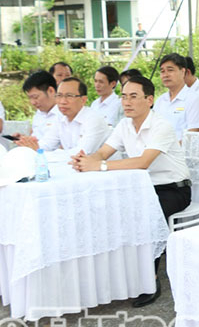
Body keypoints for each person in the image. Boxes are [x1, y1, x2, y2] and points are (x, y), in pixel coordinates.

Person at [71, 75, 191, 307]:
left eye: (134, 97)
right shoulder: (124, 124)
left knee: (146, 217)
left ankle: (150, 280)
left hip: (173, 189)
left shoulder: (161, 126)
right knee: (108, 212)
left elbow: (142, 162)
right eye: (124, 96)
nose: (127, 102)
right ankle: (120, 277)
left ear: (149, 100)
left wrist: (99, 166)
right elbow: (103, 152)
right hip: (141, 188)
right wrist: (86, 160)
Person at [19, 77, 110, 154]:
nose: (62, 101)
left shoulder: (93, 119)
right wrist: (30, 145)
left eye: (69, 96)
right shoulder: (61, 119)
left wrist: (40, 151)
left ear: (83, 100)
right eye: (59, 96)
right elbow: (46, 144)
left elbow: (82, 153)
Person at [153, 53, 199, 140]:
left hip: (182, 152)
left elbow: (193, 136)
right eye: (162, 71)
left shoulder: (195, 99)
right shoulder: (160, 101)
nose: (165, 75)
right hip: (158, 150)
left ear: (183, 72)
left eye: (170, 70)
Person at [18, 70, 61, 144]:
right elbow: (37, 137)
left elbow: (50, 145)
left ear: (51, 91)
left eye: (35, 97)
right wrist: (24, 139)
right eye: (30, 98)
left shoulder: (63, 114)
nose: (33, 102)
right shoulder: (39, 113)